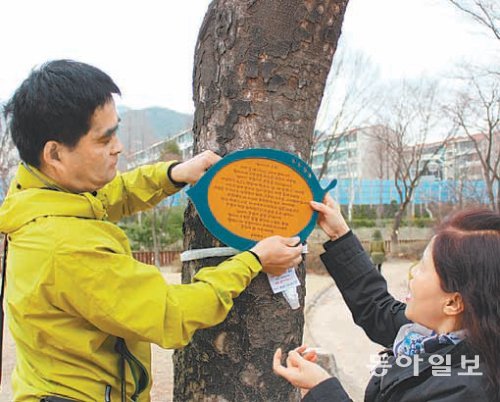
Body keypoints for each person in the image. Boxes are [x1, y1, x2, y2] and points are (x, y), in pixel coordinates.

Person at [0, 59, 304, 402]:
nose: (117, 147)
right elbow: (172, 313)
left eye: (116, 130)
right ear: (54, 154)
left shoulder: (36, 195)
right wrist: (252, 260)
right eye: (103, 140)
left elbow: (110, 195)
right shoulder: (67, 248)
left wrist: (174, 174)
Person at [273, 194, 500, 401]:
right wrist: (339, 234)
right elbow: (378, 308)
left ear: (452, 303)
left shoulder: (467, 390)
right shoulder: (428, 337)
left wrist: (321, 389)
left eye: (423, 267)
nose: (411, 274)